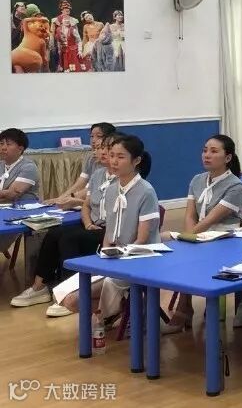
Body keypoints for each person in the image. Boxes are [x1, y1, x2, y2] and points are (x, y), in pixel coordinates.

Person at [10, 132, 117, 316]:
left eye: (106, 149)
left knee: (70, 239)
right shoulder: (99, 174)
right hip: (92, 223)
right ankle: (39, 287)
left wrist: (80, 210)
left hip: (108, 229)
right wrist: (87, 222)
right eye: (100, 148)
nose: (100, 152)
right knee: (54, 233)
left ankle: (70, 293)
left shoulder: (121, 180)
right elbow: (87, 204)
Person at [59, 134, 160, 319]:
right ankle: (117, 310)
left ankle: (109, 314)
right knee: (67, 298)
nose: (114, 161)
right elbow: (109, 232)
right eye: (112, 155)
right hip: (116, 256)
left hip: (139, 257)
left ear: (136, 161)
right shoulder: (112, 188)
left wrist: (118, 259)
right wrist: (105, 256)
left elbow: (143, 239)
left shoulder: (146, 191)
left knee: (77, 299)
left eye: (120, 157)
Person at [161, 135, 242, 334]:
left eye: (214, 151)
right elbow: (190, 214)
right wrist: (188, 236)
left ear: (227, 158)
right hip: (200, 234)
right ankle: (183, 305)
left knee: (187, 251)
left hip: (224, 236)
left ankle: (184, 308)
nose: (207, 155)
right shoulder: (197, 180)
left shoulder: (235, 185)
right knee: (164, 237)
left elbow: (212, 219)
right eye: (205, 150)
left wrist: (189, 237)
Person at [45, 122, 116, 208]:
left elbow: (93, 191)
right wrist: (61, 198)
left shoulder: (114, 168)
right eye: (91, 136)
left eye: (99, 136)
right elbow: (81, 182)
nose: (93, 140)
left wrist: (70, 199)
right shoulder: (91, 158)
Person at [0, 127, 40, 204]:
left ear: (20, 149)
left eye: (8, 144)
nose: (3, 148)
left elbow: (12, 195)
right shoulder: (1, 164)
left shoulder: (28, 167)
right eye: (1, 143)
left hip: (24, 208)